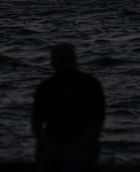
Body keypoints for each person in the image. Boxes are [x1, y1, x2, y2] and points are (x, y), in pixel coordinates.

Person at [31, 43, 106, 172]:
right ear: (53, 63)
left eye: (68, 60)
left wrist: (73, 147)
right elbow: (36, 124)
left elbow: (96, 124)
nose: (65, 65)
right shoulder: (46, 88)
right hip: (52, 143)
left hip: (84, 144)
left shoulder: (90, 85)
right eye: (60, 61)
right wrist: (49, 146)